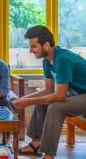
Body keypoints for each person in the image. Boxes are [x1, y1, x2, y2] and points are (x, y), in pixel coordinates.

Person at [13, 25, 86, 159]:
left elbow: (59, 96)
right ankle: (36, 145)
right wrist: (23, 99)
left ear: (46, 45)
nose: (30, 50)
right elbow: (48, 90)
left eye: (34, 46)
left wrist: (28, 102)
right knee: (44, 103)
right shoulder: (47, 61)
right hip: (78, 96)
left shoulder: (62, 59)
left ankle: (49, 155)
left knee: (55, 107)